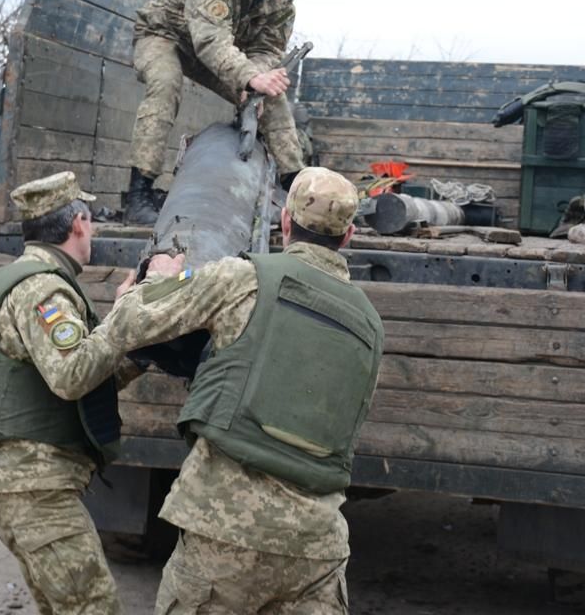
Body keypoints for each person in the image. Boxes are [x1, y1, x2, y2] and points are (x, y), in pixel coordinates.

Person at [85, 166, 385, 613]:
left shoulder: (243, 278)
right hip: (317, 549)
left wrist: (155, 278)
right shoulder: (370, 325)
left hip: (222, 535)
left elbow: (131, 325)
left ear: (285, 221)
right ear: (349, 235)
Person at [0, 171, 141, 615]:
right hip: (33, 487)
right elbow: (72, 375)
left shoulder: (23, 277)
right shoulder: (42, 288)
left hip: (22, 483)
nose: (94, 230)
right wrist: (125, 317)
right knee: (93, 608)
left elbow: (83, 373)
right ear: (78, 222)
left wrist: (137, 349)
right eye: (92, 220)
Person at [124, 0, 307, 225]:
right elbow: (210, 40)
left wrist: (260, 80)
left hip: (221, 54)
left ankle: (300, 192)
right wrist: (250, 76)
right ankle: (139, 193)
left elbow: (269, 49)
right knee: (165, 84)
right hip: (166, 36)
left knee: (272, 96)